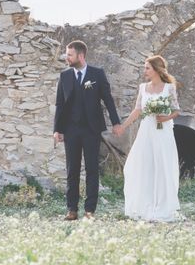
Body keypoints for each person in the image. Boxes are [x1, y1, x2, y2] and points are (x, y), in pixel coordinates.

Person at [53, 40, 121, 220]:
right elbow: (60, 104)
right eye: (67, 54)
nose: (66, 57)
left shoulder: (97, 74)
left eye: (69, 54)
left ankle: (90, 210)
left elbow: (108, 100)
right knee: (72, 170)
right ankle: (71, 209)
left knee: (92, 170)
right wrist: (57, 129)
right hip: (70, 130)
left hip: (91, 129)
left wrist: (116, 122)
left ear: (80, 55)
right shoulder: (65, 76)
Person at [116, 55, 181, 222]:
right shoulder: (143, 88)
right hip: (146, 130)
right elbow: (137, 110)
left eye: (147, 68)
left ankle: (162, 206)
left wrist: (165, 118)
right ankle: (144, 204)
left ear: (157, 69)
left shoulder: (169, 88)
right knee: (138, 165)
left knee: (162, 166)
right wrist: (123, 126)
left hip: (163, 131)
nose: (144, 71)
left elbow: (176, 110)